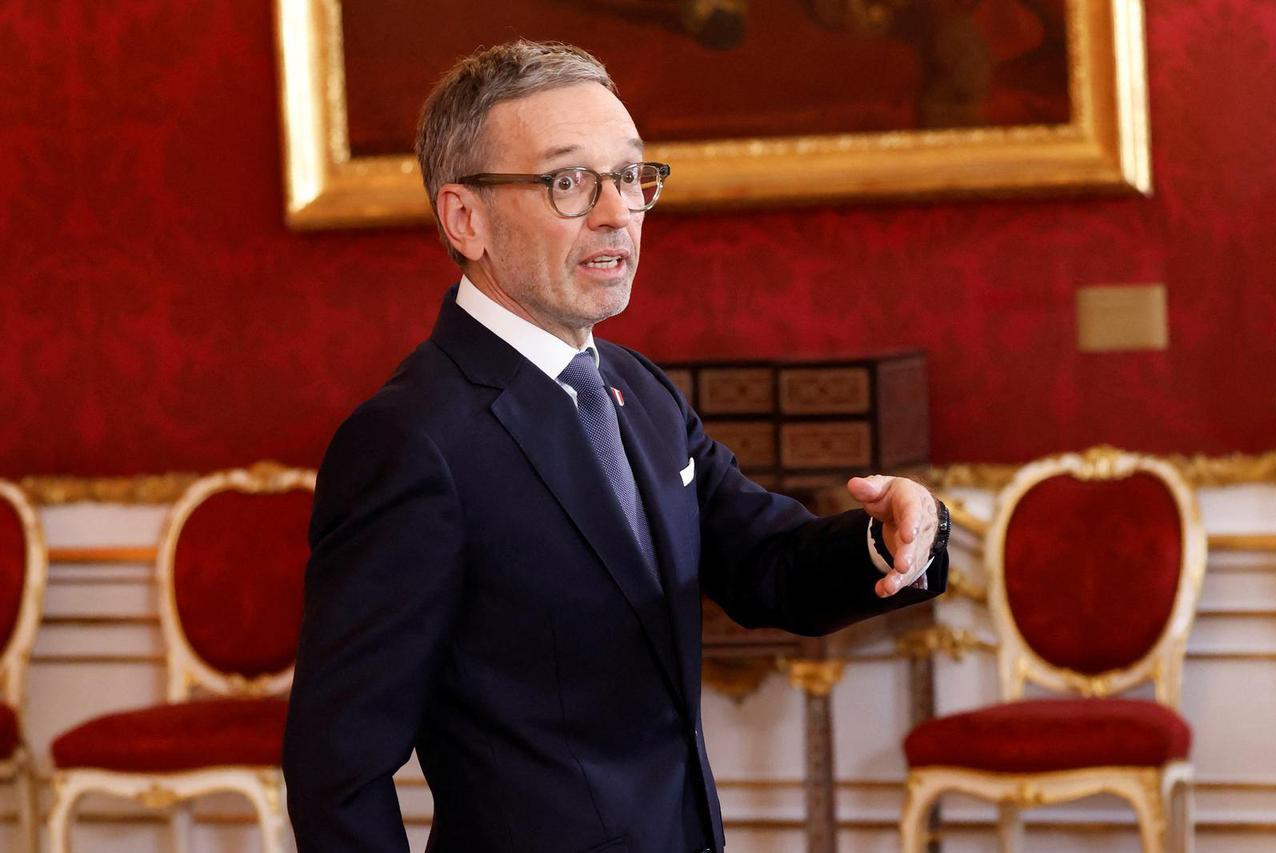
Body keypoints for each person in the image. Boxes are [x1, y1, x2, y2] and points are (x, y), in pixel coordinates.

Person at [282, 39, 949, 853]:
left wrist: (889, 537)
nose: (617, 213)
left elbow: (768, 563)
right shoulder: (410, 440)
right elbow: (336, 769)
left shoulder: (638, 389)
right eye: (569, 182)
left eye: (631, 176)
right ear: (466, 218)